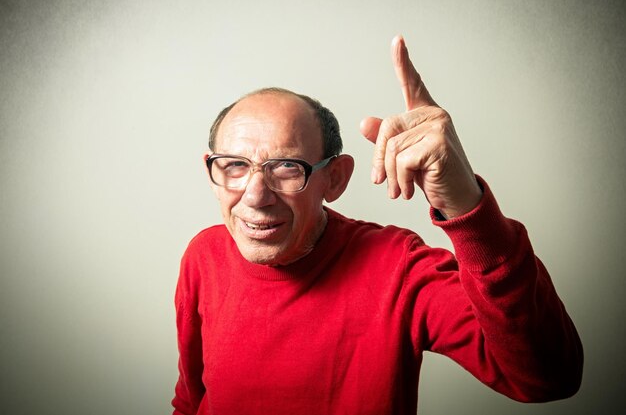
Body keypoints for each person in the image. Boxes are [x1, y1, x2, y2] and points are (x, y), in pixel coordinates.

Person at [172, 35, 583, 415]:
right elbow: (191, 398)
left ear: (335, 179)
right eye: (234, 167)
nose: (255, 195)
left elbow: (546, 376)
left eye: (285, 167)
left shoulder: (398, 268)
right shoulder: (202, 256)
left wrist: (464, 204)